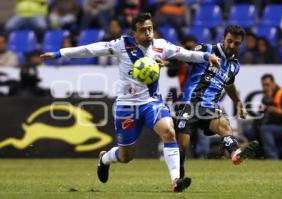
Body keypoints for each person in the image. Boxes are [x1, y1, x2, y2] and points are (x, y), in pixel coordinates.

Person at [40, 13, 220, 192]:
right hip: (126, 105)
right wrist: (59, 53)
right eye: (143, 30)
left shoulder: (161, 45)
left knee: (168, 131)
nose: (148, 33)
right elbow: (91, 49)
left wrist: (206, 57)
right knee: (126, 156)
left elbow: (186, 54)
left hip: (151, 102)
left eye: (150, 29)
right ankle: (104, 159)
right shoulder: (121, 45)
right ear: (134, 33)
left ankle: (175, 181)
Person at [175, 25, 259, 179]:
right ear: (223, 38)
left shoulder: (234, 66)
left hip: (210, 107)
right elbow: (183, 57)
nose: (232, 45)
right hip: (191, 103)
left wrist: (239, 102)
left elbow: (229, 84)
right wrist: (164, 62)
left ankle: (235, 154)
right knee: (182, 146)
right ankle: (178, 176)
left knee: (225, 127)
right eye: (230, 41)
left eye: (237, 43)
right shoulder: (205, 49)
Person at [247, 74, 282, 159]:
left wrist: (277, 110)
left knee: (265, 129)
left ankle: (272, 157)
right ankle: (257, 156)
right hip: (270, 125)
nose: (265, 87)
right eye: (263, 85)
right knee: (249, 131)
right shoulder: (266, 97)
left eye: (267, 84)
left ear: (273, 83)